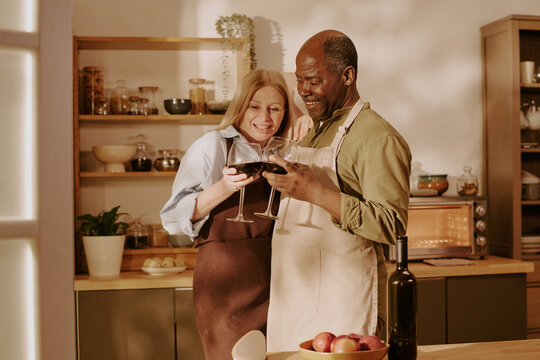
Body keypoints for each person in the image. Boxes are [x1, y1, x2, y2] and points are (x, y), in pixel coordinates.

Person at [263, 30, 412, 351]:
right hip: (294, 298)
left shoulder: (377, 138)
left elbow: (391, 224)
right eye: (300, 81)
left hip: (344, 302)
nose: (304, 91)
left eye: (314, 81)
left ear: (348, 75)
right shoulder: (314, 130)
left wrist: (315, 191)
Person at [160, 69, 293, 359]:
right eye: (255, 106)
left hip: (277, 279)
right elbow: (171, 218)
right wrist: (223, 187)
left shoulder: (284, 152)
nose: (265, 117)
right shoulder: (212, 145)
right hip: (224, 285)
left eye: (275, 108)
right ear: (240, 107)